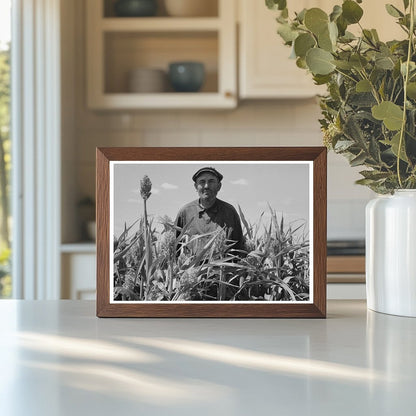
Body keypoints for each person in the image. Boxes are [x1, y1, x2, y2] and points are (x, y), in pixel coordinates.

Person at [175, 167, 244, 256]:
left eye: (211, 181)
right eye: (202, 182)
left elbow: (238, 249)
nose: (206, 186)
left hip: (221, 268)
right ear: (196, 186)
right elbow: (174, 249)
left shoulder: (230, 212)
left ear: (219, 186)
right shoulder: (185, 212)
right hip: (192, 268)